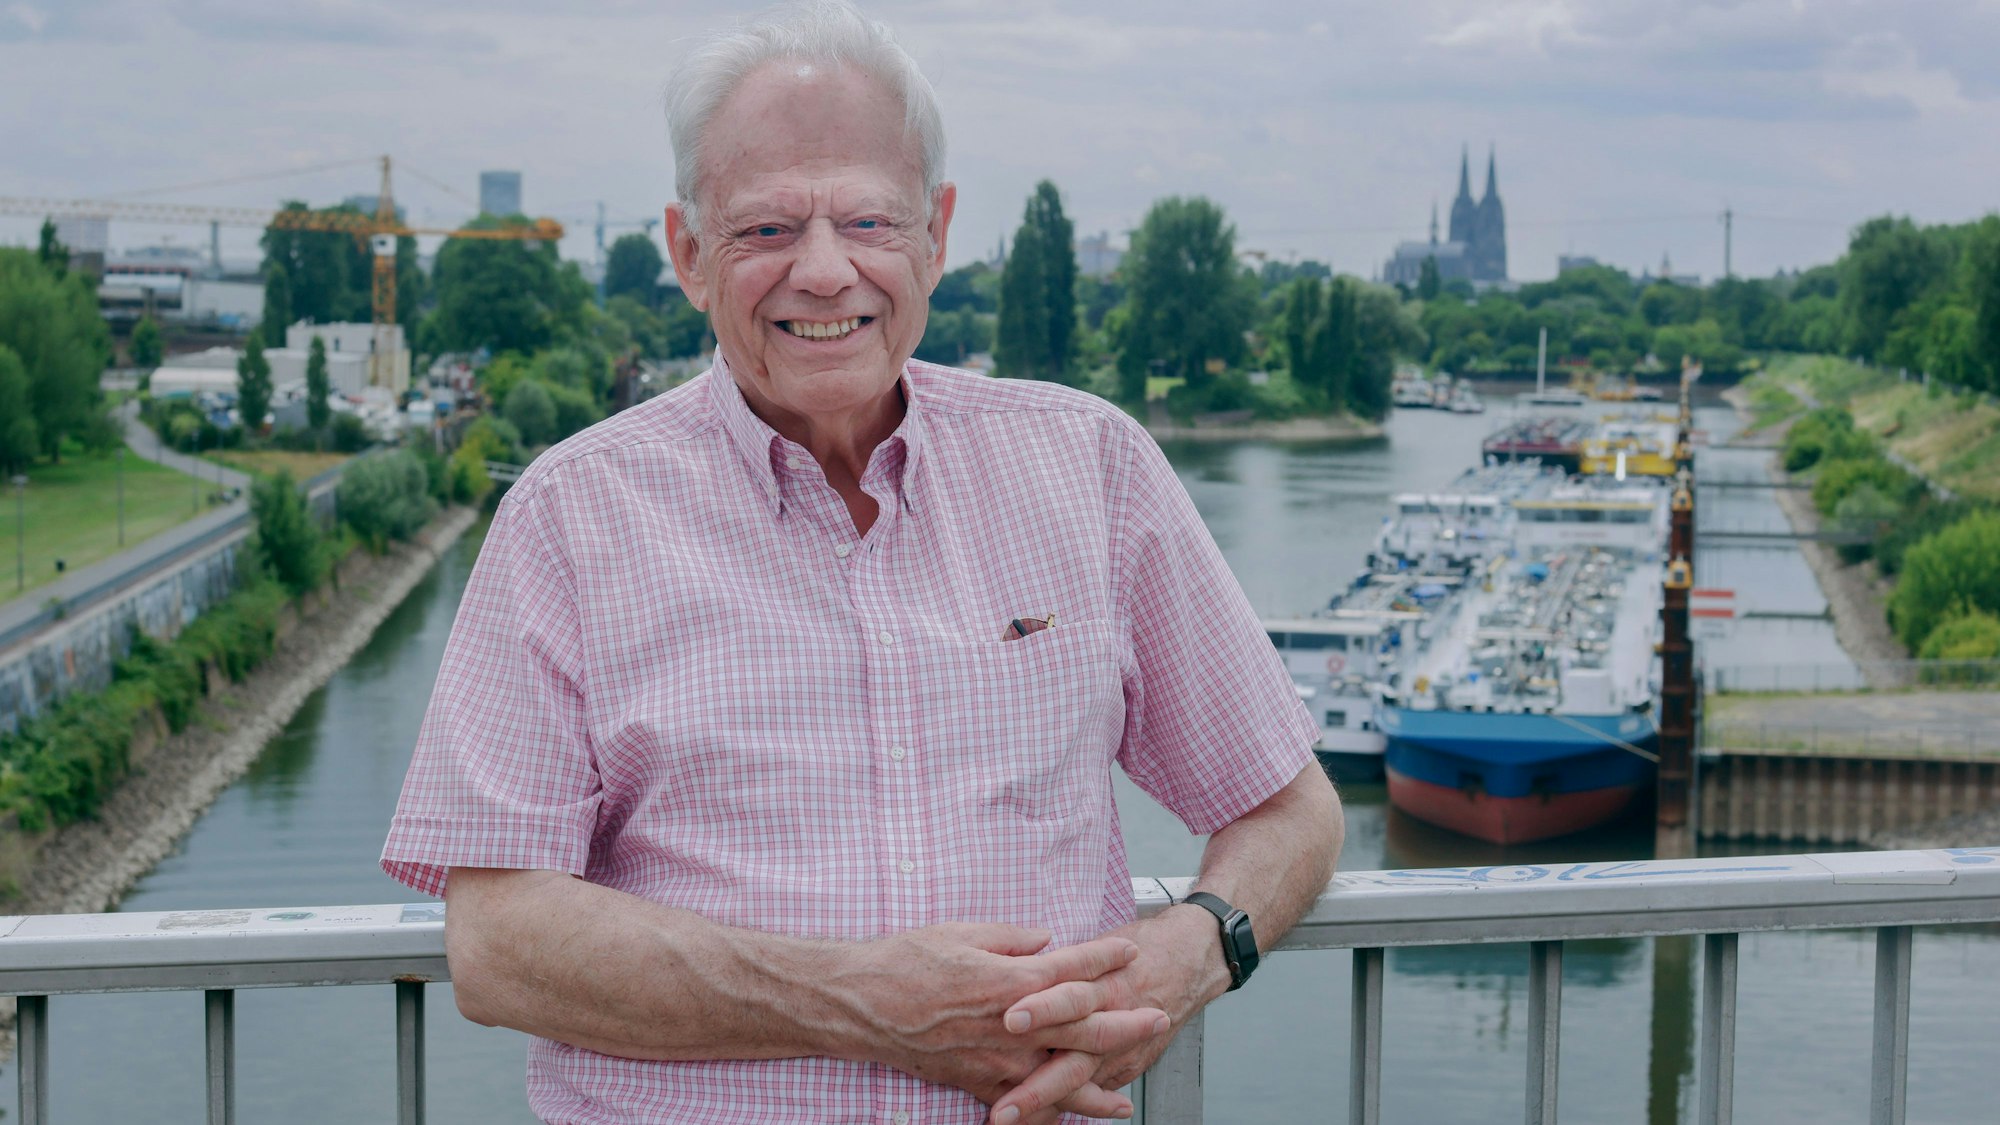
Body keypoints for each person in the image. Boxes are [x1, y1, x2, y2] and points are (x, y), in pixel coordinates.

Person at [380, 2, 1342, 1122]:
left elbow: (1289, 810)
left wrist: (1188, 953)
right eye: (766, 231)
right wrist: (855, 1000)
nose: (826, 273)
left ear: (933, 233)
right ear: (688, 254)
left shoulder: (1090, 468)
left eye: (868, 222)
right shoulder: (570, 516)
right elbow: (498, 944)